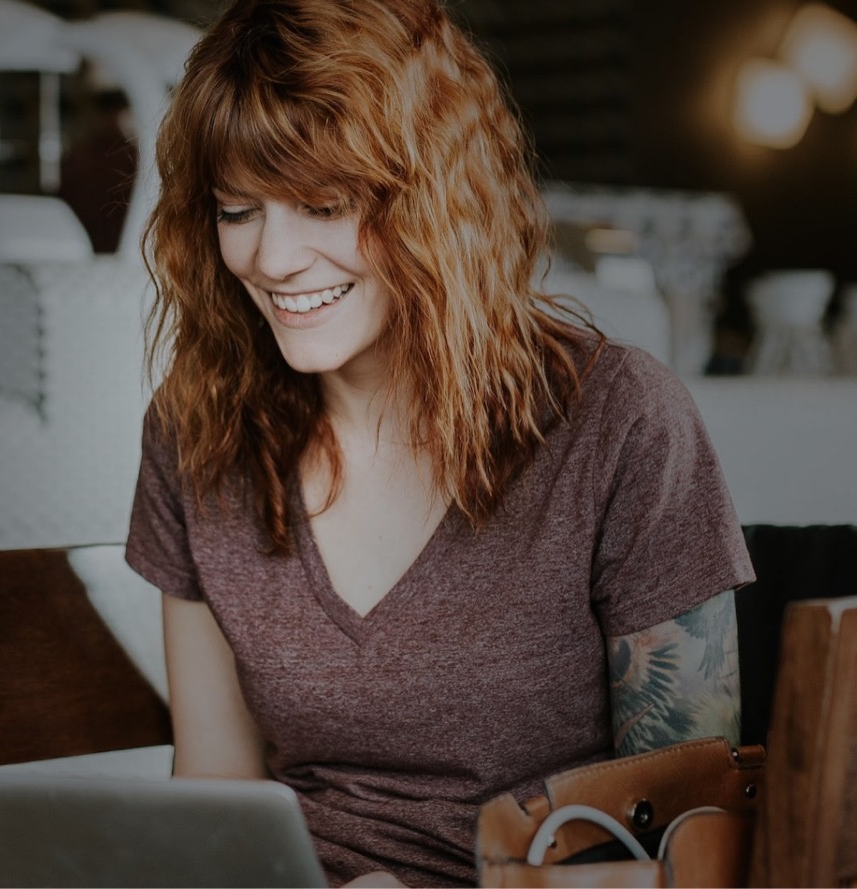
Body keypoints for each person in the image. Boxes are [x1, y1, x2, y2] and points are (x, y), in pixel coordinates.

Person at [122, 1, 755, 886]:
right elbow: (217, 806)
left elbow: (696, 844)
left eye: (323, 204)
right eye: (237, 210)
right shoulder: (197, 432)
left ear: (433, 199)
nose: (272, 258)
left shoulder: (619, 421)